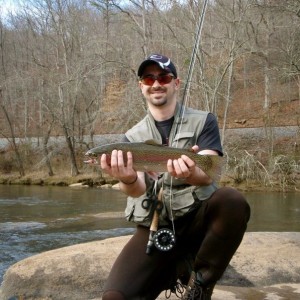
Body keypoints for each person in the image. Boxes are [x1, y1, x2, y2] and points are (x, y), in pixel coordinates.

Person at [99, 54, 250, 300]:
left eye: (164, 77)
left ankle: (200, 286)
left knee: (231, 200)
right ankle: (172, 271)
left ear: (175, 83)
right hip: (156, 225)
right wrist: (126, 179)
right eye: (149, 78)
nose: (156, 83)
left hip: (198, 217)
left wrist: (191, 171)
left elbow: (207, 174)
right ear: (141, 87)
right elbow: (137, 189)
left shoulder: (204, 121)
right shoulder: (130, 137)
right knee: (114, 297)